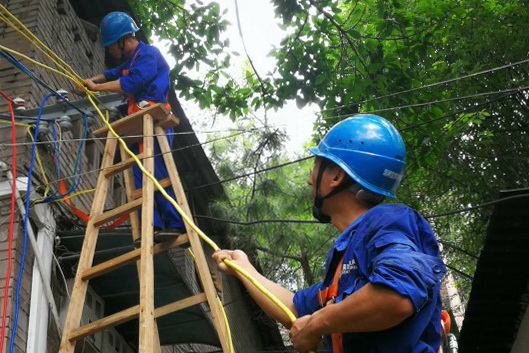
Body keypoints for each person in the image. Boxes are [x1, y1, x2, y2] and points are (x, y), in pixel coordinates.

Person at [213, 115, 446, 353]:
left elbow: (396, 297)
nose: (308, 180)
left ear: (335, 177)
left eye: (316, 166)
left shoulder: (388, 221)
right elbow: (294, 309)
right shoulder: (347, 255)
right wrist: (244, 268)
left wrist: (316, 324)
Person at [82, 12, 184, 233]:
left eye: (111, 46)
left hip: (155, 119)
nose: (110, 50)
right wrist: (93, 80)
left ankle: (174, 224)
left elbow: (131, 83)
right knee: (139, 177)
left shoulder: (148, 54)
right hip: (139, 122)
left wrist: (96, 88)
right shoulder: (133, 59)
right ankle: (152, 226)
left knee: (158, 173)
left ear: (123, 40)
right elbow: (114, 73)